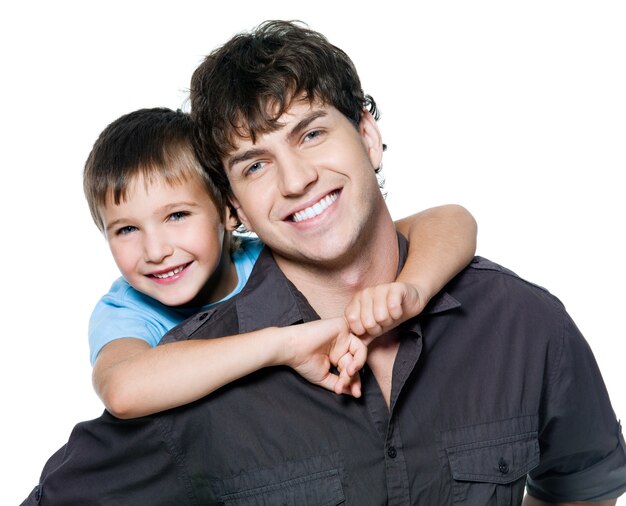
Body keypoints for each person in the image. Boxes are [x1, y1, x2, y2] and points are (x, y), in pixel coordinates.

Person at [22, 21, 626, 505]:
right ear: (235, 206)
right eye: (254, 164)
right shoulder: (189, 375)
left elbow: (584, 482)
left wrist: (411, 290)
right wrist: (283, 345)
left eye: (311, 134)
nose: (296, 179)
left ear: (368, 136)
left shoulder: (523, 322)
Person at [84, 106, 477, 418]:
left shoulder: (271, 253)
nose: (155, 251)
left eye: (177, 216)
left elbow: (448, 220)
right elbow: (122, 389)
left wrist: (412, 289)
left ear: (229, 211)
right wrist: (284, 346)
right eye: (125, 230)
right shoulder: (127, 310)